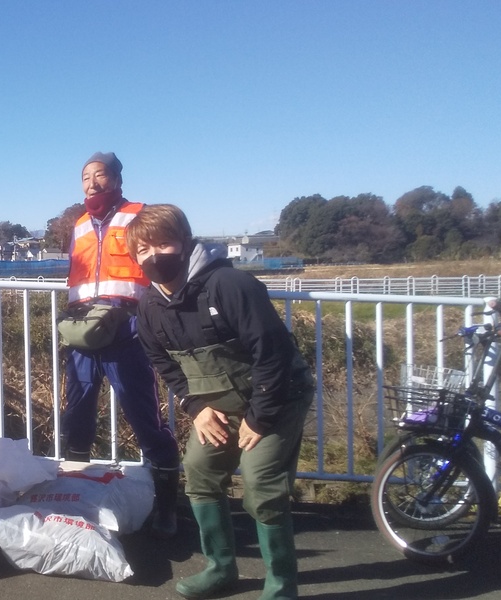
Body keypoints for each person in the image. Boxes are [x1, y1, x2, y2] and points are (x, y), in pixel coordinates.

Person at [125, 204, 314, 600]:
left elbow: (273, 354)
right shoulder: (149, 307)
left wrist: (260, 419)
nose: (153, 255)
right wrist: (195, 407)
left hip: (276, 400)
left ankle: (281, 585)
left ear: (185, 242)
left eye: (163, 243)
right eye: (143, 249)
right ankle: (220, 568)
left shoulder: (230, 285)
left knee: (261, 486)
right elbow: (163, 363)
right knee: (199, 473)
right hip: (217, 407)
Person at [59, 152, 181, 539]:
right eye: (85, 177)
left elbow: (164, 259)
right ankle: (77, 496)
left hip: (128, 325)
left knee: (141, 411)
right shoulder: (78, 224)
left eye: (100, 175)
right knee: (76, 412)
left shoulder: (139, 215)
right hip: (83, 327)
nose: (92, 183)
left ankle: (167, 507)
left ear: (117, 179)